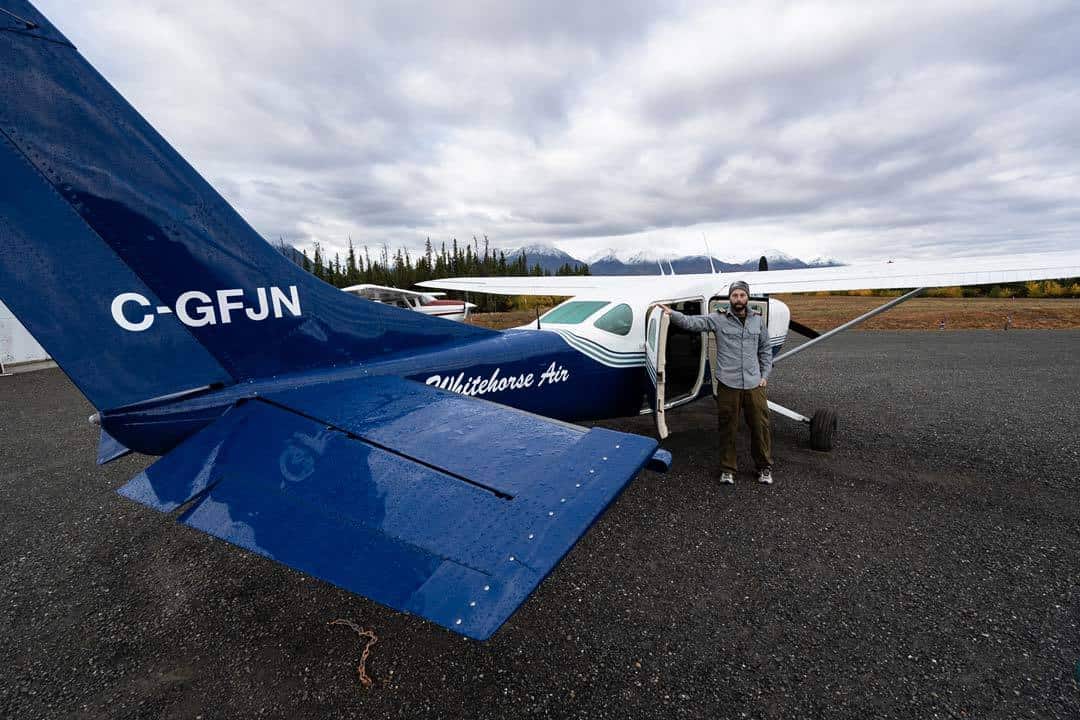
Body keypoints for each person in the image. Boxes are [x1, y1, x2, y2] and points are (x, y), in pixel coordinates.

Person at [659, 281, 773, 485]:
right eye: (735, 295)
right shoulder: (717, 318)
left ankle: (764, 467)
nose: (739, 299)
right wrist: (672, 314)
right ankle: (728, 469)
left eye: (742, 295)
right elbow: (692, 323)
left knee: (760, 426)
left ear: (747, 298)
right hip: (728, 384)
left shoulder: (757, 320)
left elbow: (765, 349)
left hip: (754, 384)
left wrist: (764, 374)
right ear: (730, 298)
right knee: (727, 427)